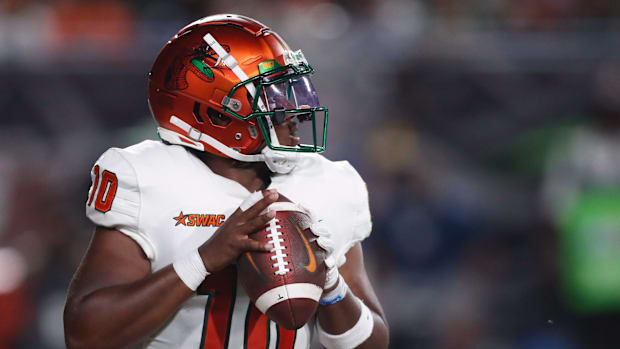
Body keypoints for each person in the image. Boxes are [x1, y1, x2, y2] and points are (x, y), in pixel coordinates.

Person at [63, 14, 389, 349]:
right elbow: (86, 335)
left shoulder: (328, 183)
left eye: (288, 91)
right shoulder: (148, 178)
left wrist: (331, 283)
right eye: (273, 98)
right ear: (218, 113)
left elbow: (373, 344)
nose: (292, 112)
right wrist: (202, 260)